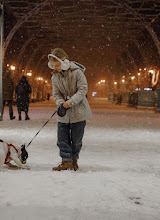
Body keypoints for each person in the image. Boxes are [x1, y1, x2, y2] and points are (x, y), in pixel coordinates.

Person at [48, 48, 92, 171]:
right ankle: (66, 161)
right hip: (63, 112)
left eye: (57, 65)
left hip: (78, 111)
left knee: (76, 139)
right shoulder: (55, 77)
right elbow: (56, 93)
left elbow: (83, 89)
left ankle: (74, 160)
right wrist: (61, 102)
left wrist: (70, 102)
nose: (55, 68)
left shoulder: (78, 73)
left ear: (64, 62)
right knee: (62, 138)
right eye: (53, 65)